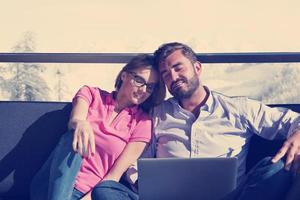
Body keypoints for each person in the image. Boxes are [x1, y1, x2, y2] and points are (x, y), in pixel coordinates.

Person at [124, 42, 300, 200]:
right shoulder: (156, 115)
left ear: (197, 68)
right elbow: (135, 161)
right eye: (166, 74)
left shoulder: (238, 108)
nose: (174, 77)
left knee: (275, 168)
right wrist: (143, 184)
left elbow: (291, 120)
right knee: (107, 189)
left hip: (233, 197)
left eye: (179, 68)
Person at [30, 54, 166, 200]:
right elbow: (76, 119)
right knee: (74, 135)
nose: (144, 90)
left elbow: (113, 176)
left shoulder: (143, 123)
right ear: (124, 75)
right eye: (140, 80)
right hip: (50, 185)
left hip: (87, 195)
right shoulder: (92, 94)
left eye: (150, 87)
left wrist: (88, 198)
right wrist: (81, 123)